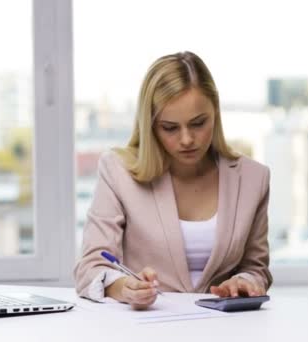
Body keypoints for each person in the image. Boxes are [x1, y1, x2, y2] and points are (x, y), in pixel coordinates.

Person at [73, 51, 272, 310]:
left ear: (215, 114)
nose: (187, 139)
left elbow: (257, 268)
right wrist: (124, 288)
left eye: (199, 123)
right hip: (147, 328)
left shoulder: (253, 178)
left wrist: (245, 281)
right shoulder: (118, 171)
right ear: (151, 125)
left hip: (225, 330)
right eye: (170, 127)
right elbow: (90, 268)